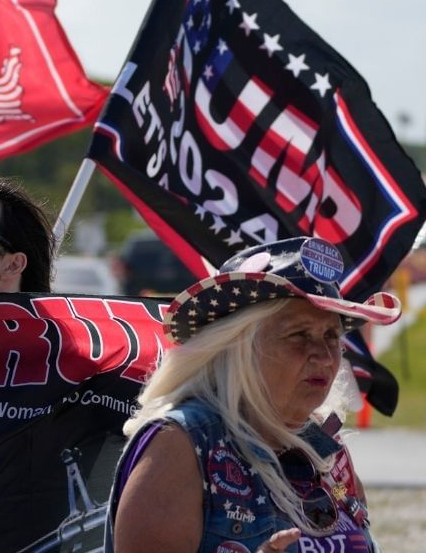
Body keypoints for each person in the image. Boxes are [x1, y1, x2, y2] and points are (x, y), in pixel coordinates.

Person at [107, 236, 399, 553]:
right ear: (238, 347)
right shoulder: (180, 444)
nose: (325, 356)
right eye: (299, 334)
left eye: (331, 335)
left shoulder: (328, 449)